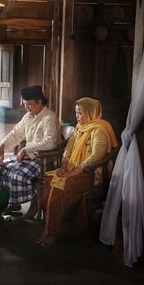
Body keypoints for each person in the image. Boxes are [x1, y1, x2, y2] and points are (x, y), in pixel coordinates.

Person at [37, 97, 117, 246]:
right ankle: (56, 227)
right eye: (76, 113)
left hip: (91, 175)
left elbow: (95, 158)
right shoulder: (80, 127)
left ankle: (55, 233)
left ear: (91, 112)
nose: (77, 117)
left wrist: (71, 174)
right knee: (50, 180)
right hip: (74, 169)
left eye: (80, 113)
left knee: (60, 186)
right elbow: (68, 148)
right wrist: (63, 167)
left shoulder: (100, 129)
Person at [0, 85, 61, 217]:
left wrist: (26, 149)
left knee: (18, 175)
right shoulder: (28, 116)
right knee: (1, 168)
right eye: (25, 104)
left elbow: (51, 142)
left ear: (40, 102)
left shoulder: (49, 117)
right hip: (30, 158)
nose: (27, 108)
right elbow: (16, 134)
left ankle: (35, 203)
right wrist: (2, 146)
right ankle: (14, 203)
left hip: (44, 161)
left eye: (30, 104)